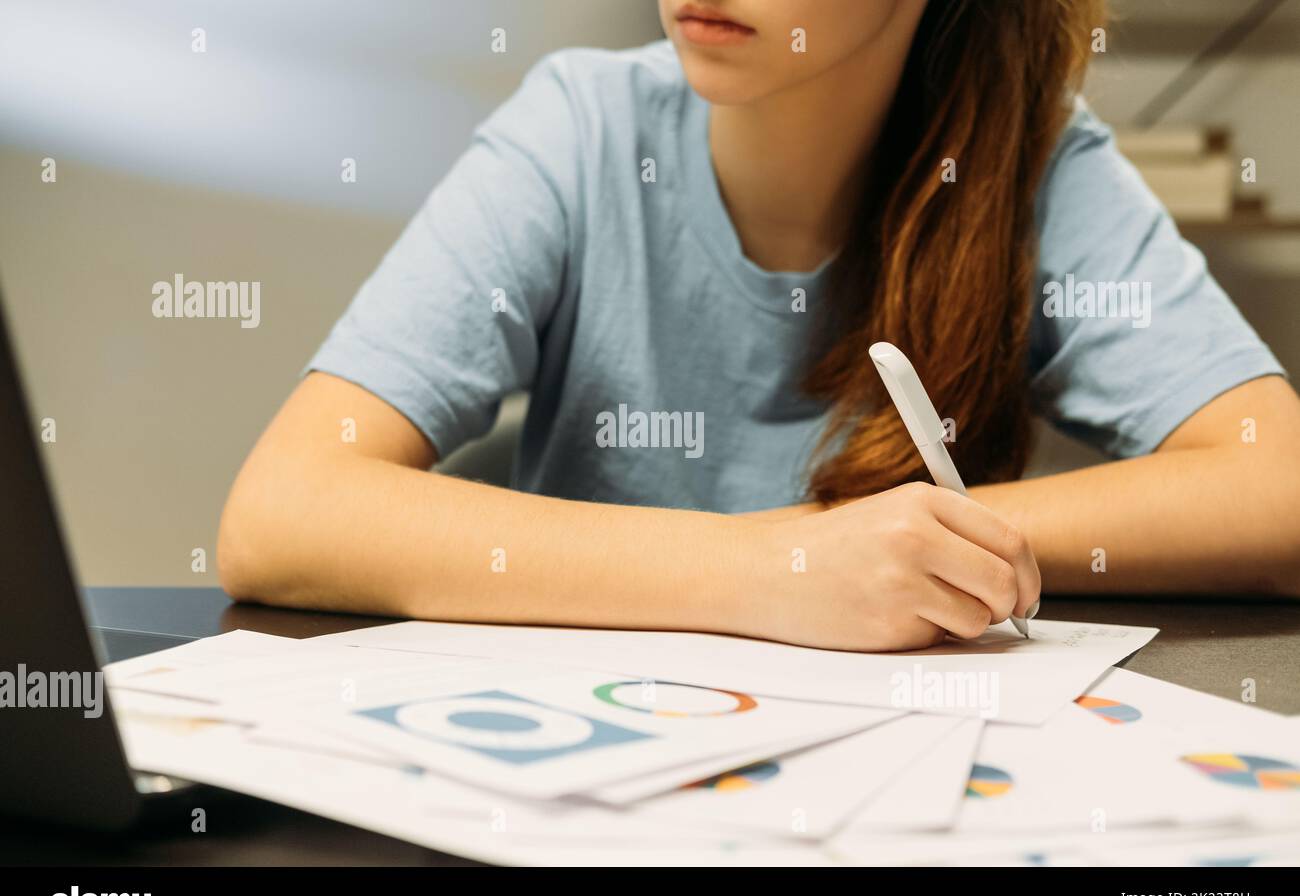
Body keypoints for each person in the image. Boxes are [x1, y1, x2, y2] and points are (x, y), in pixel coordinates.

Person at [218, 1, 1300, 652]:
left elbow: (1280, 485)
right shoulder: (579, 129)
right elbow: (280, 513)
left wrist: (921, 554)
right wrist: (779, 568)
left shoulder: (1035, 165)